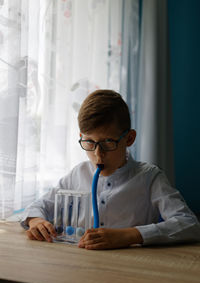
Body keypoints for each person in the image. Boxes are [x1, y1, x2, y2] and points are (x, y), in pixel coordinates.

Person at [20, 89, 200, 249]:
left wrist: (128, 236)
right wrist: (36, 221)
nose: (98, 155)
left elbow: (189, 224)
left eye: (108, 142)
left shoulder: (149, 177)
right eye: (89, 142)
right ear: (81, 137)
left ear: (129, 139)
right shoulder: (78, 173)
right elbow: (39, 206)